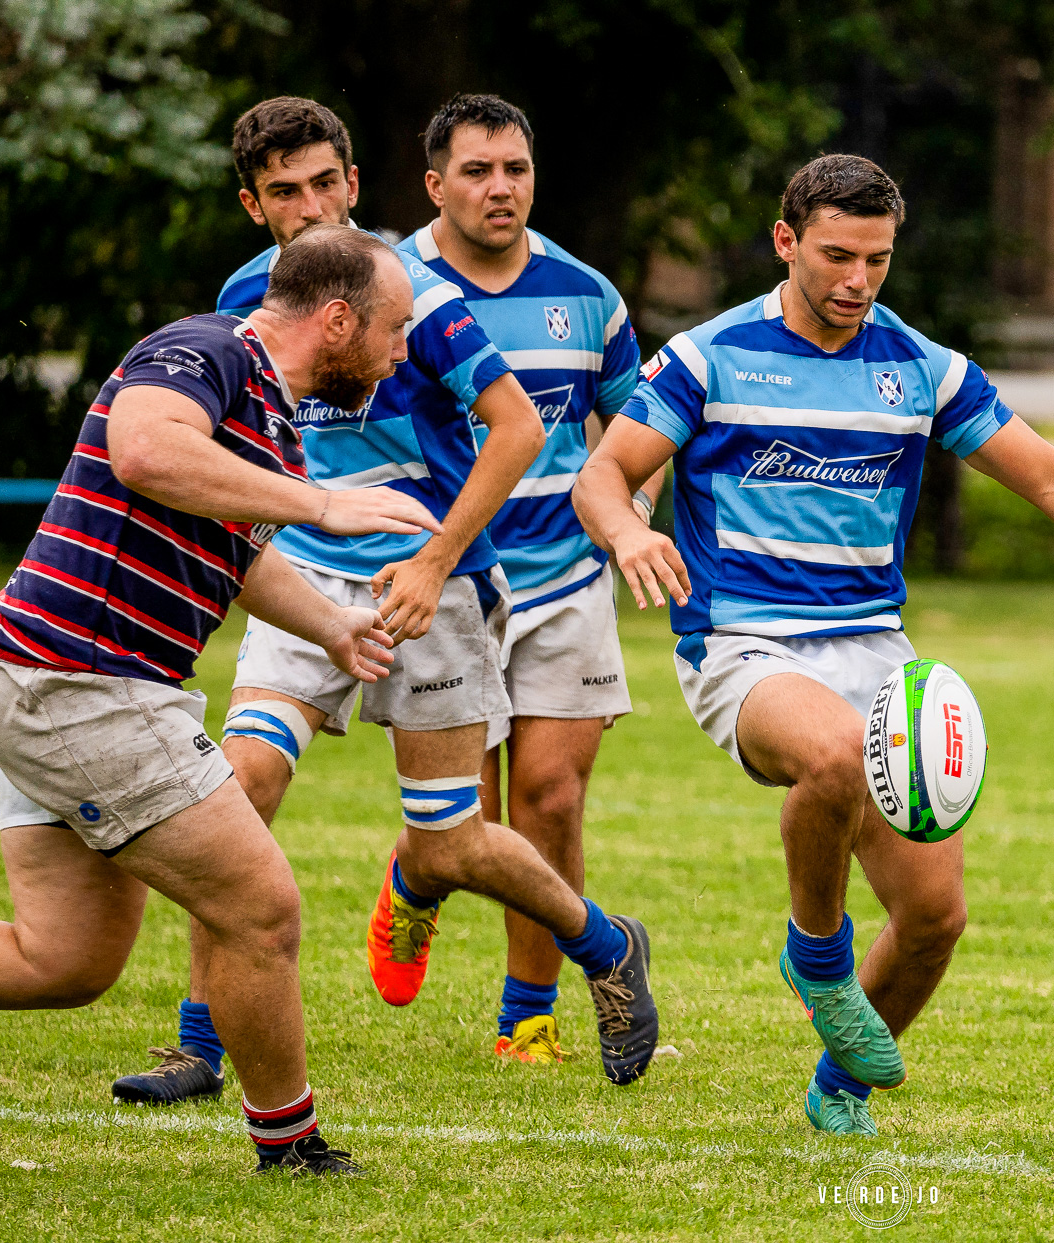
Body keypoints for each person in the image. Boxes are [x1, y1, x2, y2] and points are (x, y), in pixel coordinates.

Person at [575, 154, 1054, 1136]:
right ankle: (816, 951)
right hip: (743, 646)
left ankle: (839, 1086)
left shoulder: (920, 368)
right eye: (837, 256)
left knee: (935, 920)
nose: (856, 281)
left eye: (878, 261)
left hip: (875, 650)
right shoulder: (710, 358)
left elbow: (1050, 477)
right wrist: (631, 529)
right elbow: (603, 473)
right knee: (834, 755)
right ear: (785, 241)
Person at [108, 96, 658, 1106]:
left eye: (326, 183)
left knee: (449, 839)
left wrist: (434, 560)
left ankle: (607, 943)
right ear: (252, 204)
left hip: (428, 587)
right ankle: (199, 1045)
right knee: (238, 788)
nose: (312, 206)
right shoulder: (241, 302)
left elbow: (521, 430)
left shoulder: (421, 296)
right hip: (305, 581)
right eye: (286, 191)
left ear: (357, 186)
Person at [0, 227, 440, 1173]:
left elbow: (235, 544)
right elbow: (145, 451)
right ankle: (292, 1142)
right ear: (339, 318)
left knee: (62, 959)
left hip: (49, 680)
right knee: (261, 906)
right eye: (396, 331)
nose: (403, 355)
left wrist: (332, 626)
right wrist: (322, 506)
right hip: (84, 684)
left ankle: (287, 1136)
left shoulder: (269, 412)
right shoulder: (207, 348)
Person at [404, 94, 663, 1067]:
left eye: (514, 168)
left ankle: (530, 1016)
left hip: (565, 577)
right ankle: (415, 883)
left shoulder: (587, 292)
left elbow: (636, 432)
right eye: (476, 171)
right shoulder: (397, 288)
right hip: (452, 585)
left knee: (549, 799)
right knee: (457, 824)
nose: (500, 187)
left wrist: (624, 526)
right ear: (435, 185)